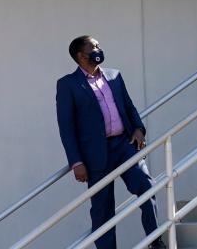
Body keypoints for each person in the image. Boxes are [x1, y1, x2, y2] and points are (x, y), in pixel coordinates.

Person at [56, 36, 165, 249]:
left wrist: (139, 129)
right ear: (80, 55)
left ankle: (155, 240)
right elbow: (66, 127)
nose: (99, 49)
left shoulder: (114, 75)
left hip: (124, 145)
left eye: (99, 45)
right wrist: (76, 162)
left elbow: (129, 106)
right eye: (94, 46)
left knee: (146, 185)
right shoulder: (67, 84)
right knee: (102, 209)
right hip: (94, 154)